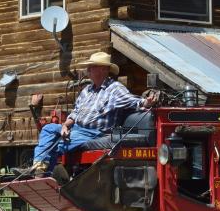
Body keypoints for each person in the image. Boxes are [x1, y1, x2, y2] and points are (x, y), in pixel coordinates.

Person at [28, 51, 156, 176]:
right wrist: (65, 125)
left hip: (95, 133)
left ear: (104, 70)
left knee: (55, 144)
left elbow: (133, 101)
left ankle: (40, 175)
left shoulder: (114, 89)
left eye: (93, 67)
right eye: (90, 67)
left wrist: (147, 102)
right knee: (48, 129)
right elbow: (75, 112)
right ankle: (40, 170)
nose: (88, 70)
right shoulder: (86, 91)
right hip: (76, 129)